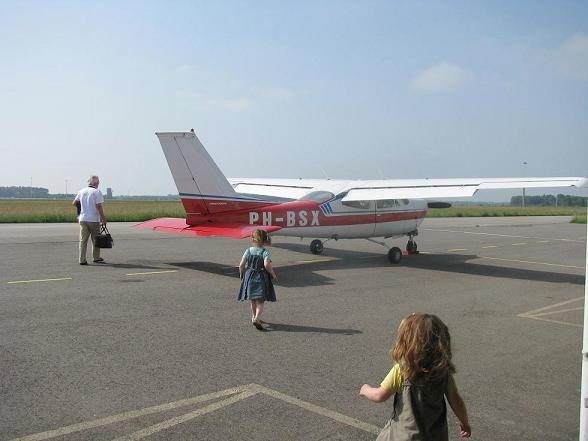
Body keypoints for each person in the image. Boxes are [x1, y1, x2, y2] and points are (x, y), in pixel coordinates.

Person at [360, 313, 471, 440]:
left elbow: (379, 396)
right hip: (434, 436)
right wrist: (465, 423)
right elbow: (456, 401)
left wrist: (365, 389)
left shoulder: (402, 370)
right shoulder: (443, 372)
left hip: (404, 436)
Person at [237, 229, 277, 330]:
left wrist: (242, 274)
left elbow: (241, 265)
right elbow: (266, 265)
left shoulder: (248, 250)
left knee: (253, 300)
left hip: (249, 276)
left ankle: (253, 316)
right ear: (265, 240)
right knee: (261, 301)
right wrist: (273, 274)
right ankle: (257, 318)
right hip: (261, 277)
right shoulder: (265, 252)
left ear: (252, 239)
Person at [73, 175, 107, 265]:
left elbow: (74, 203)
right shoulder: (97, 192)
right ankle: (96, 257)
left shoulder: (81, 191)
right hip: (94, 220)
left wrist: (81, 209)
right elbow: (99, 206)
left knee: (83, 240)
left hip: (83, 219)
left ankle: (82, 259)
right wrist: (103, 219)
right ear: (96, 183)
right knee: (95, 239)